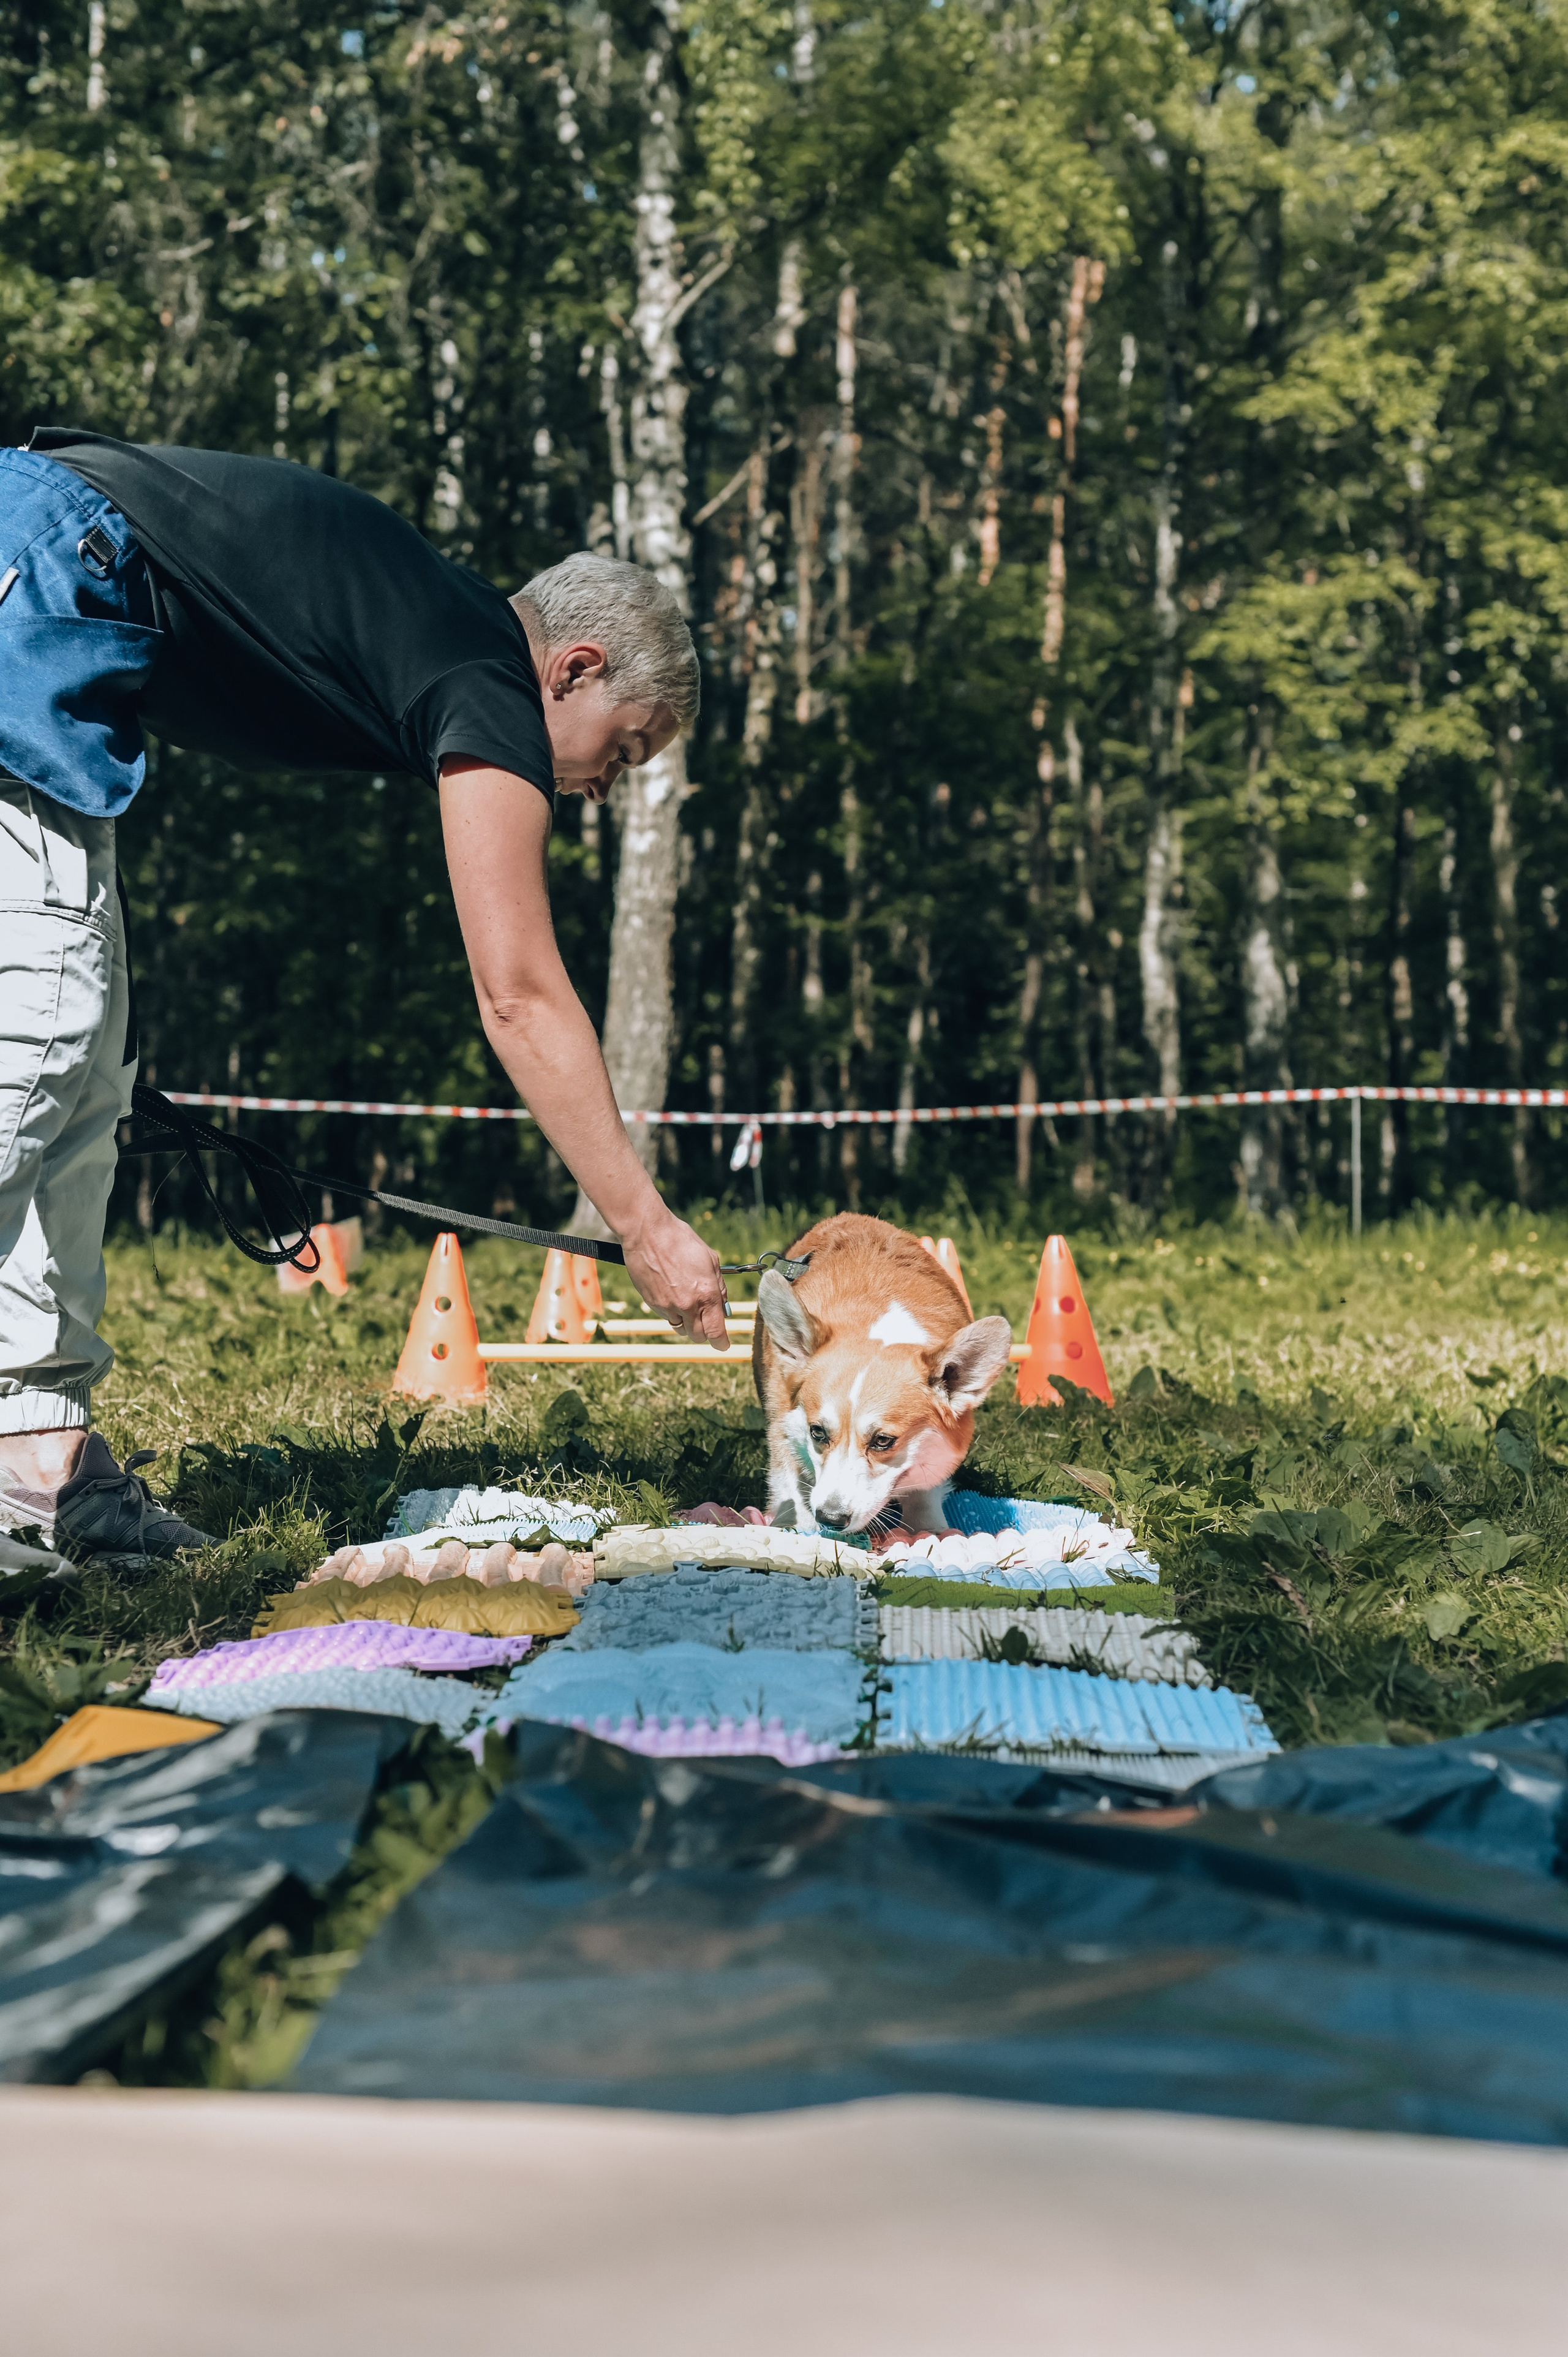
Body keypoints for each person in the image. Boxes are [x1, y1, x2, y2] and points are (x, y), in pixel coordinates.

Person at [0, 431, 731, 1560]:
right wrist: (645, 1227)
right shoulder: (489, 679)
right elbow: (520, 995)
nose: (596, 788)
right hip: (44, 560)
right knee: (32, 1033)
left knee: (86, 1067)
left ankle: (38, 1459)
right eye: (621, 752)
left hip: (61, 590)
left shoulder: (443, 636)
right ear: (576, 668)